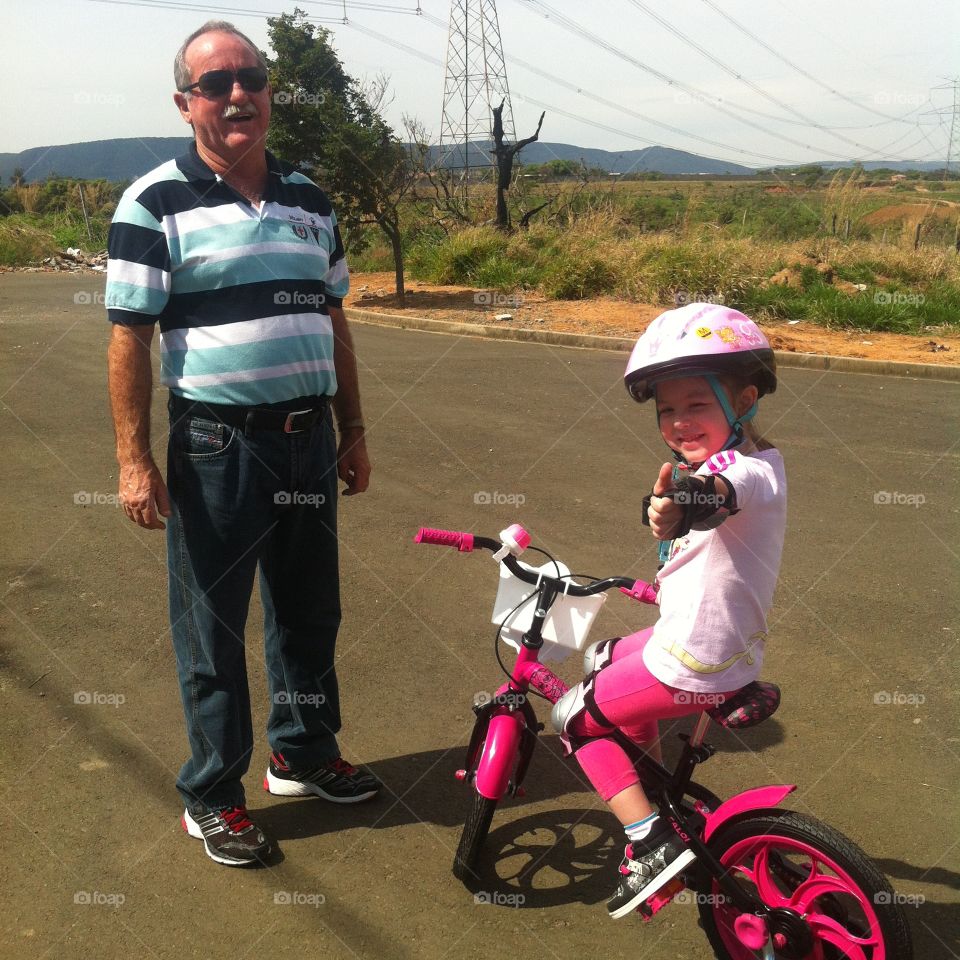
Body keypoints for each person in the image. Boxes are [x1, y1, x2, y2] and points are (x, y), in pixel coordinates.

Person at [105, 20, 379, 867]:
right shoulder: (153, 202)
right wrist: (133, 458)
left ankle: (300, 753)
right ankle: (212, 795)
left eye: (250, 79)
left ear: (268, 91)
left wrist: (352, 427)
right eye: (215, 82)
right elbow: (128, 338)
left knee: (309, 614)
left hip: (306, 442)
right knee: (212, 629)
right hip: (218, 447)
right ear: (185, 102)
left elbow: (333, 320)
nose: (237, 95)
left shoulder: (311, 199)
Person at [551, 302, 786, 917]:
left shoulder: (748, 470)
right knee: (602, 656)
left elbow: (718, 493)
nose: (680, 422)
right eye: (667, 410)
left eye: (697, 404)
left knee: (572, 717)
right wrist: (664, 511)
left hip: (695, 658)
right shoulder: (729, 463)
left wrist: (681, 500)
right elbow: (691, 509)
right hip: (714, 643)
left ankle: (647, 839)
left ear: (744, 401)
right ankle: (655, 796)